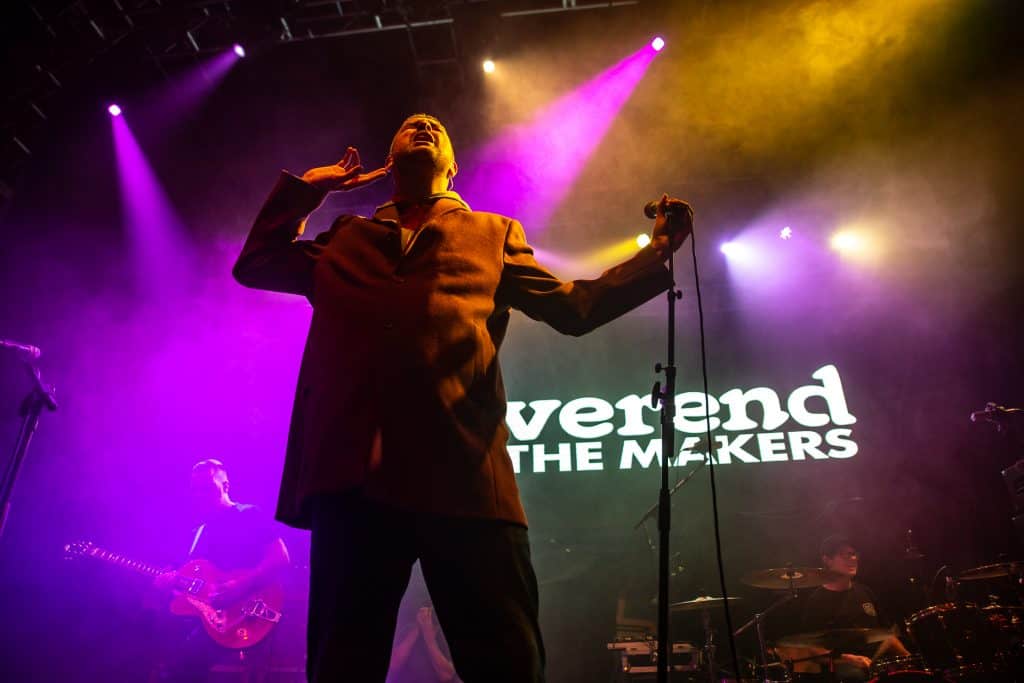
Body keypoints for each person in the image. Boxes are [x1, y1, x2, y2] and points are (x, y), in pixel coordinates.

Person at [233, 113, 693, 683]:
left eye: (435, 126)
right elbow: (256, 263)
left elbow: (576, 309)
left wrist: (656, 253)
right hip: (353, 481)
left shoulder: (493, 234)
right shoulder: (346, 237)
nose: (424, 124)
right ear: (389, 161)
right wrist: (308, 191)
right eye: (410, 124)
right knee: (342, 665)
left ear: (451, 167)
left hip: (466, 475)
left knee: (506, 663)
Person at [152, 459, 290, 682]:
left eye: (207, 486)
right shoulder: (199, 532)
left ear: (226, 485)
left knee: (181, 670)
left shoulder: (248, 514)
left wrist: (240, 584)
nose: (200, 494)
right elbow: (197, 585)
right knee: (172, 666)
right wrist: (171, 584)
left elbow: (281, 559)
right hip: (214, 619)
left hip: (252, 611)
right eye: (196, 489)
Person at [796, 535, 910, 680]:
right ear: (827, 560)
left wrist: (909, 657)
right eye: (845, 555)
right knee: (853, 675)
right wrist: (849, 659)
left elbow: (886, 635)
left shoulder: (865, 591)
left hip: (877, 663)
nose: (853, 559)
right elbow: (814, 651)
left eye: (854, 554)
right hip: (846, 668)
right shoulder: (817, 601)